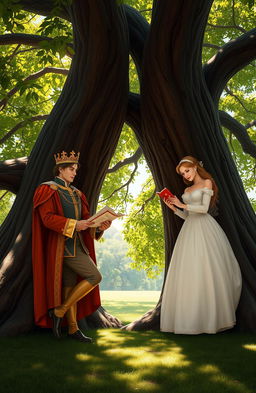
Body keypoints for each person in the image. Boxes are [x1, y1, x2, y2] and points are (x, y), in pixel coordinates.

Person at [32, 150, 111, 343]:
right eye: (71, 169)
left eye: (75, 169)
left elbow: (86, 220)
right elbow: (47, 219)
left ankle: (73, 328)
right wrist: (76, 224)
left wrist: (99, 226)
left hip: (77, 246)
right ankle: (59, 311)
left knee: (69, 286)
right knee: (95, 276)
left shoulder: (77, 194)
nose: (75, 173)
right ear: (60, 170)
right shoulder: (47, 189)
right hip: (59, 248)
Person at [160, 155, 242, 334]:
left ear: (196, 167)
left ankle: (210, 319)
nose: (186, 175)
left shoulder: (207, 183)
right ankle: (189, 320)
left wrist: (182, 204)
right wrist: (175, 209)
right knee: (189, 272)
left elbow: (204, 210)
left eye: (187, 171)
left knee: (206, 270)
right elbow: (188, 217)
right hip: (189, 230)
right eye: (183, 173)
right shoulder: (187, 189)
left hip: (206, 229)